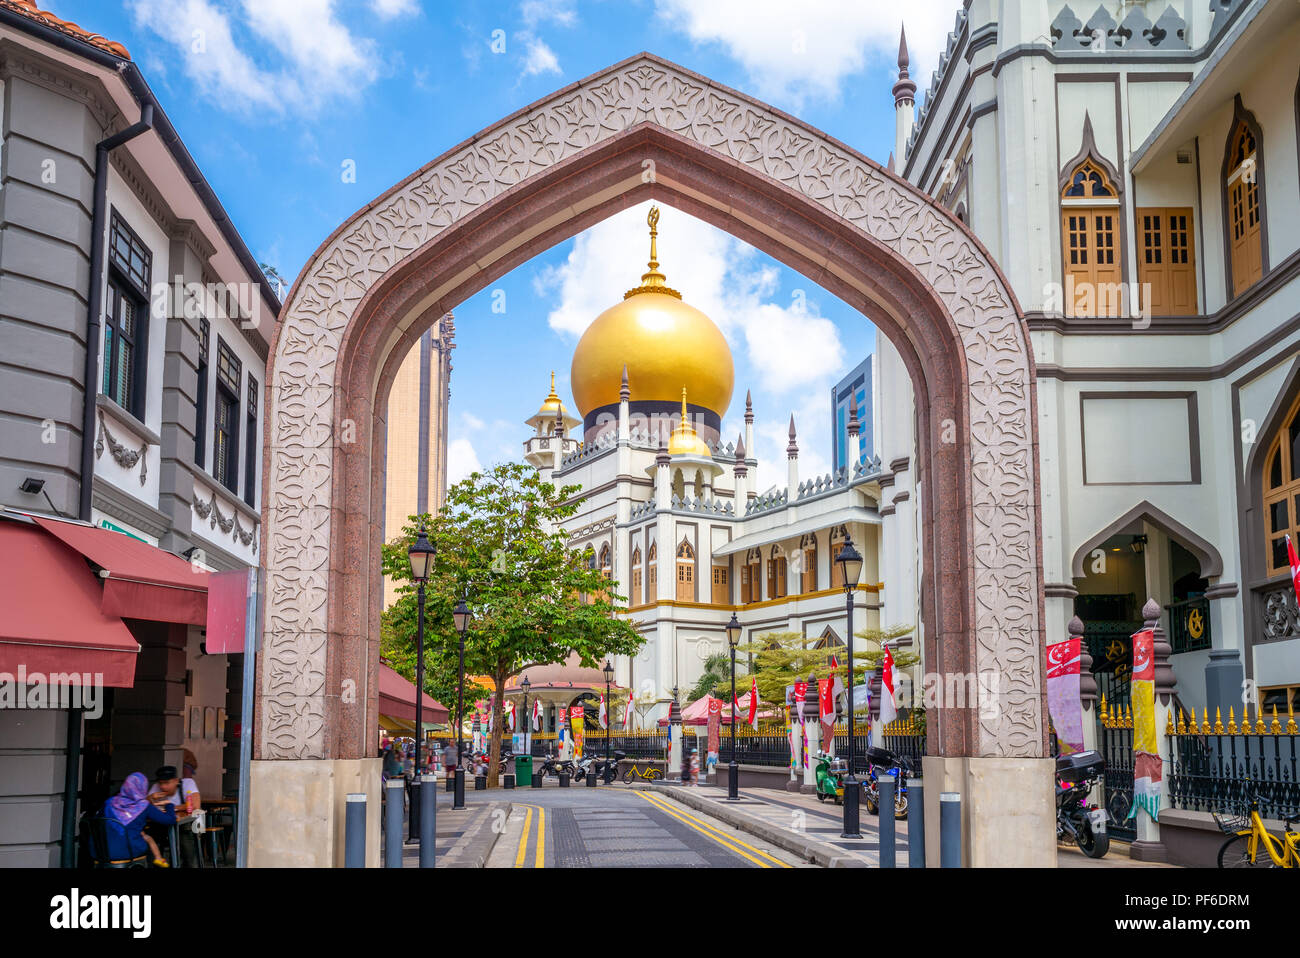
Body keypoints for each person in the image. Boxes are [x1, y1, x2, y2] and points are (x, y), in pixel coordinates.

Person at [104, 772, 176, 867]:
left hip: (101, 850)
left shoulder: (110, 802)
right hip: (127, 851)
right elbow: (170, 820)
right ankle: (157, 861)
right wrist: (169, 805)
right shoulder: (143, 806)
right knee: (149, 843)